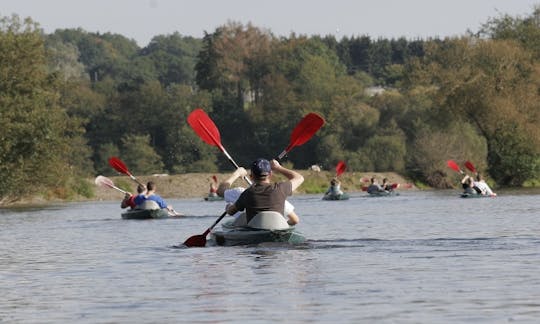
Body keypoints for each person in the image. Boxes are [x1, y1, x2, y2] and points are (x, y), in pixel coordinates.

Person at [226, 158, 304, 226]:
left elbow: (231, 212)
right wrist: (278, 167)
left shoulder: (247, 193)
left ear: (251, 177)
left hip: (255, 234)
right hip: (277, 231)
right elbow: (299, 178)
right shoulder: (281, 188)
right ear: (270, 174)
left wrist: (228, 207)